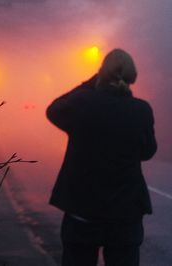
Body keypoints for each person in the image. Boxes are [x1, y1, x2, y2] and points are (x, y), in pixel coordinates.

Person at [46, 48, 157, 266]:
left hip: (82, 213)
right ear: (132, 75)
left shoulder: (83, 103)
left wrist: (90, 83)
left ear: (102, 74)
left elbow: (54, 110)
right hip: (125, 216)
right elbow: (147, 152)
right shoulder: (141, 110)